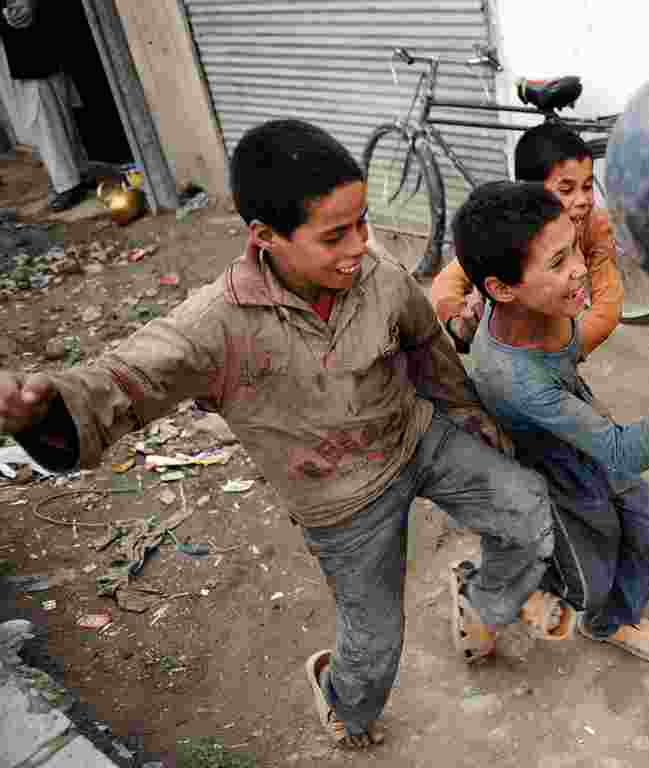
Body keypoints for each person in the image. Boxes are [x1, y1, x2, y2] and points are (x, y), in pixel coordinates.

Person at [0, 119, 565, 750]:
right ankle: (344, 705)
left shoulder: (377, 277)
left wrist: (471, 417)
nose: (360, 245)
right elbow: (122, 380)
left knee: (527, 510)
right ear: (266, 237)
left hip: (417, 438)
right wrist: (44, 411)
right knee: (375, 645)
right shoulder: (214, 326)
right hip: (342, 506)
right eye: (335, 236)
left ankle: (482, 603)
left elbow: (427, 347)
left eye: (363, 223)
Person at [453, 181, 649, 664]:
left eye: (572, 247)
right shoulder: (518, 378)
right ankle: (486, 590)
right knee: (585, 581)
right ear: (501, 288)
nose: (577, 268)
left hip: (578, 426)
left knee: (647, 527)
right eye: (557, 263)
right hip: (550, 472)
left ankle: (608, 622)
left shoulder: (533, 299)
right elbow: (624, 451)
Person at [431, 122, 623, 360]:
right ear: (528, 192)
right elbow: (447, 282)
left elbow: (608, 307)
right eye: (566, 190)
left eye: (587, 186)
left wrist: (564, 353)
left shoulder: (595, 225)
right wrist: (460, 322)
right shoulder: (509, 231)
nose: (583, 200)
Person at [0, 0, 90, 211]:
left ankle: (69, 182)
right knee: (54, 112)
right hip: (31, 42)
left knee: (44, 114)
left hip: (35, 44)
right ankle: (76, 174)